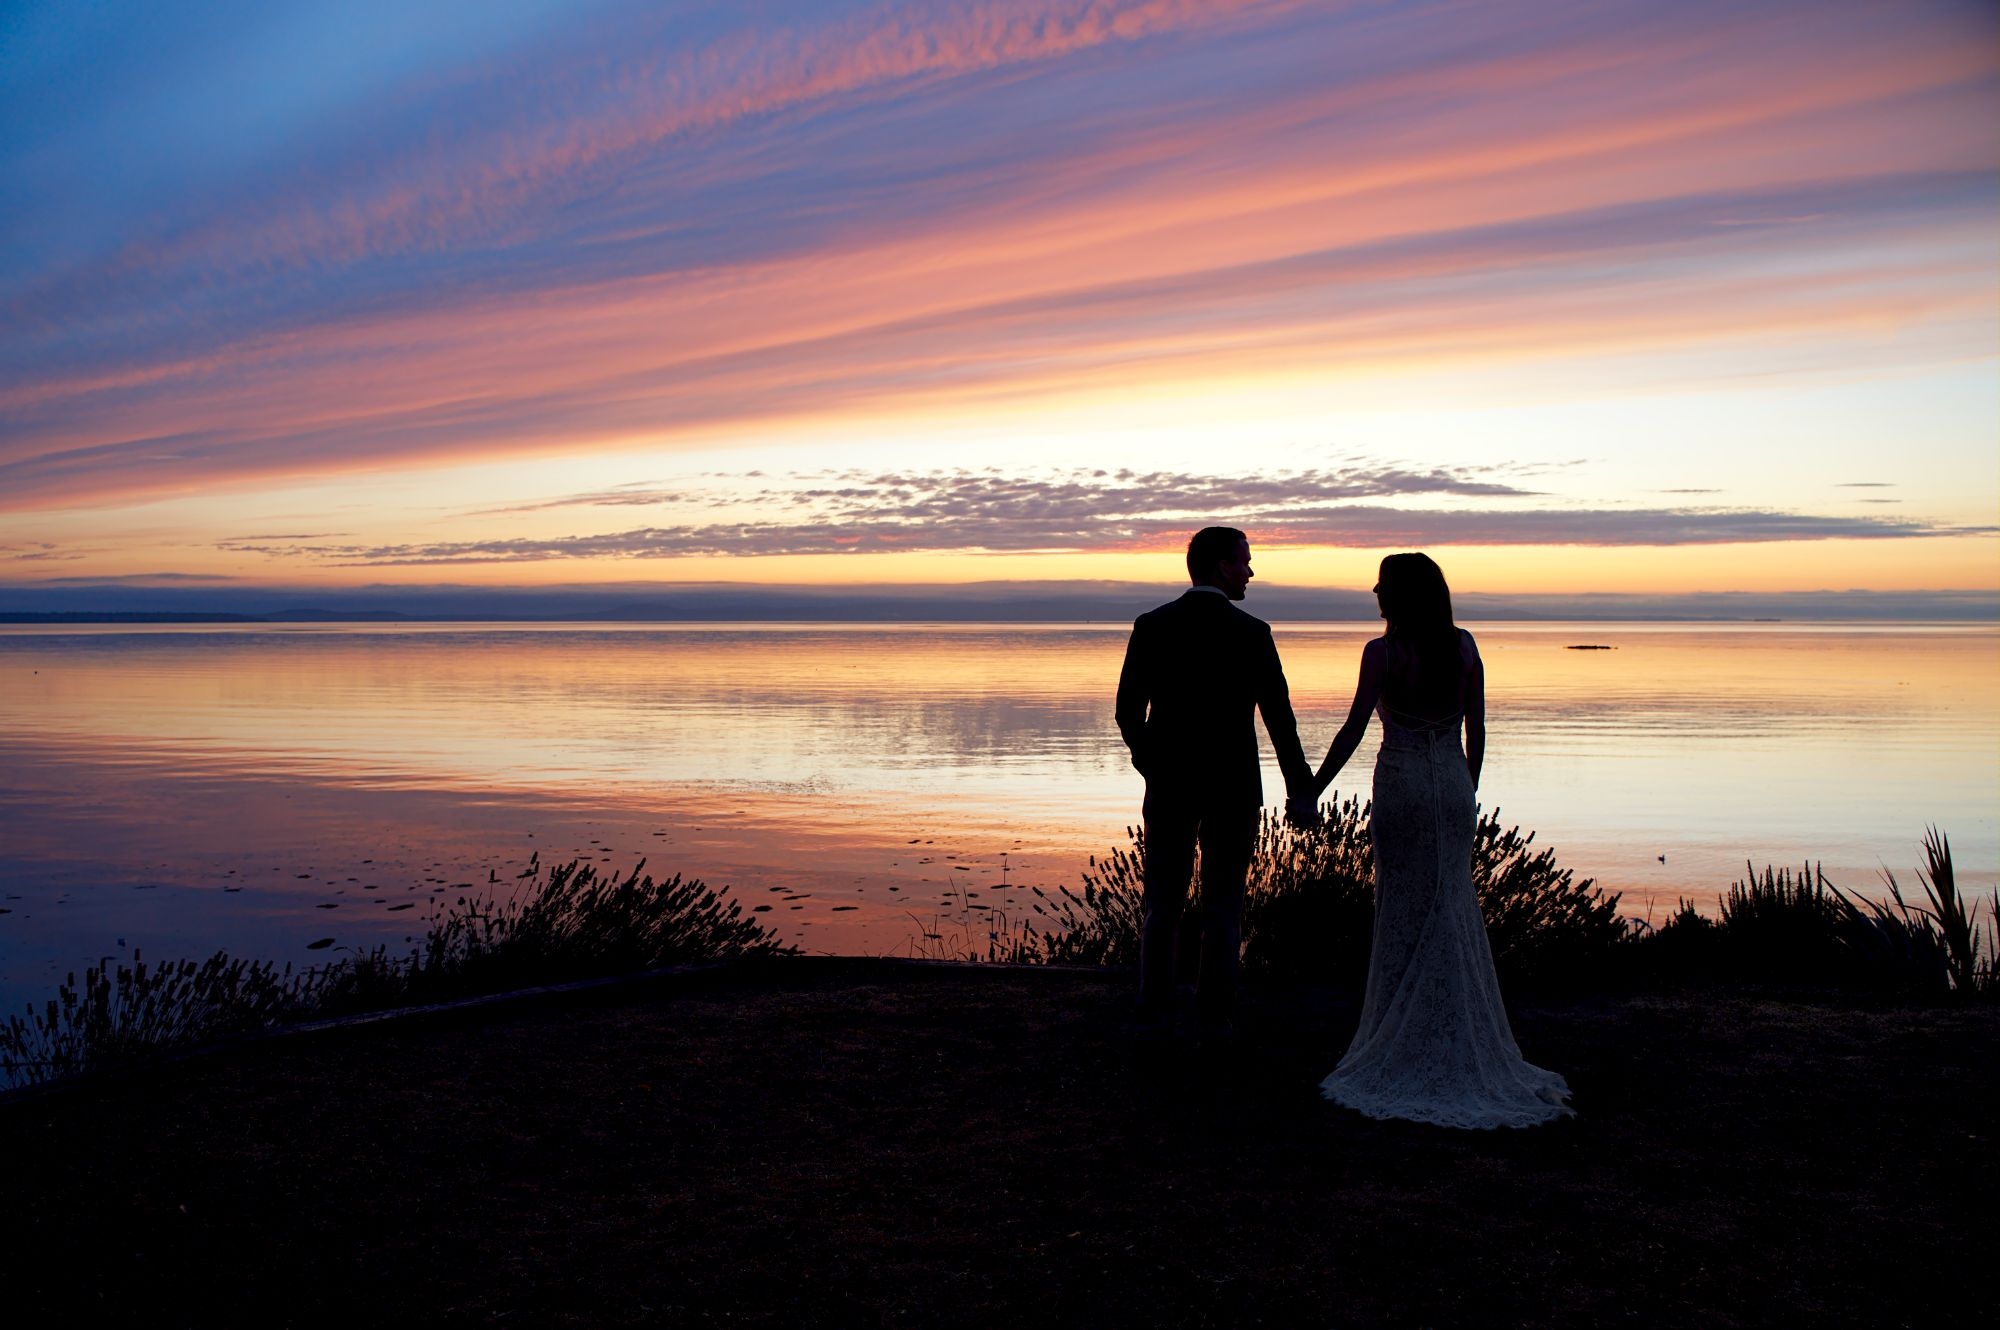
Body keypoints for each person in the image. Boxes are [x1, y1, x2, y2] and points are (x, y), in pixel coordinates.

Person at [1300, 552, 1572, 1128]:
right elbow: (1477, 733)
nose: (1375, 591)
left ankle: (1404, 1035)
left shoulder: (1382, 654)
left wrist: (1312, 790)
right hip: (1450, 786)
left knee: (1404, 906)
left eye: (1384, 584)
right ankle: (1451, 1026)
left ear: (1401, 596)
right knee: (1451, 903)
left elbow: (1353, 728)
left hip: (1401, 786)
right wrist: (1464, 795)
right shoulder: (1464, 646)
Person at [1115, 526, 1314, 1036]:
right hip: (1234, 787)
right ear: (1222, 565)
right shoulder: (1252, 633)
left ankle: (1154, 1007)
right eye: (1245, 561)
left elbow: (1127, 713)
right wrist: (1300, 788)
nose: (1251, 571)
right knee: (1224, 903)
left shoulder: (1152, 625)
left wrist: (1151, 764)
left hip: (1171, 785)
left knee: (1162, 902)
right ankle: (1216, 1013)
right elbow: (1280, 720)